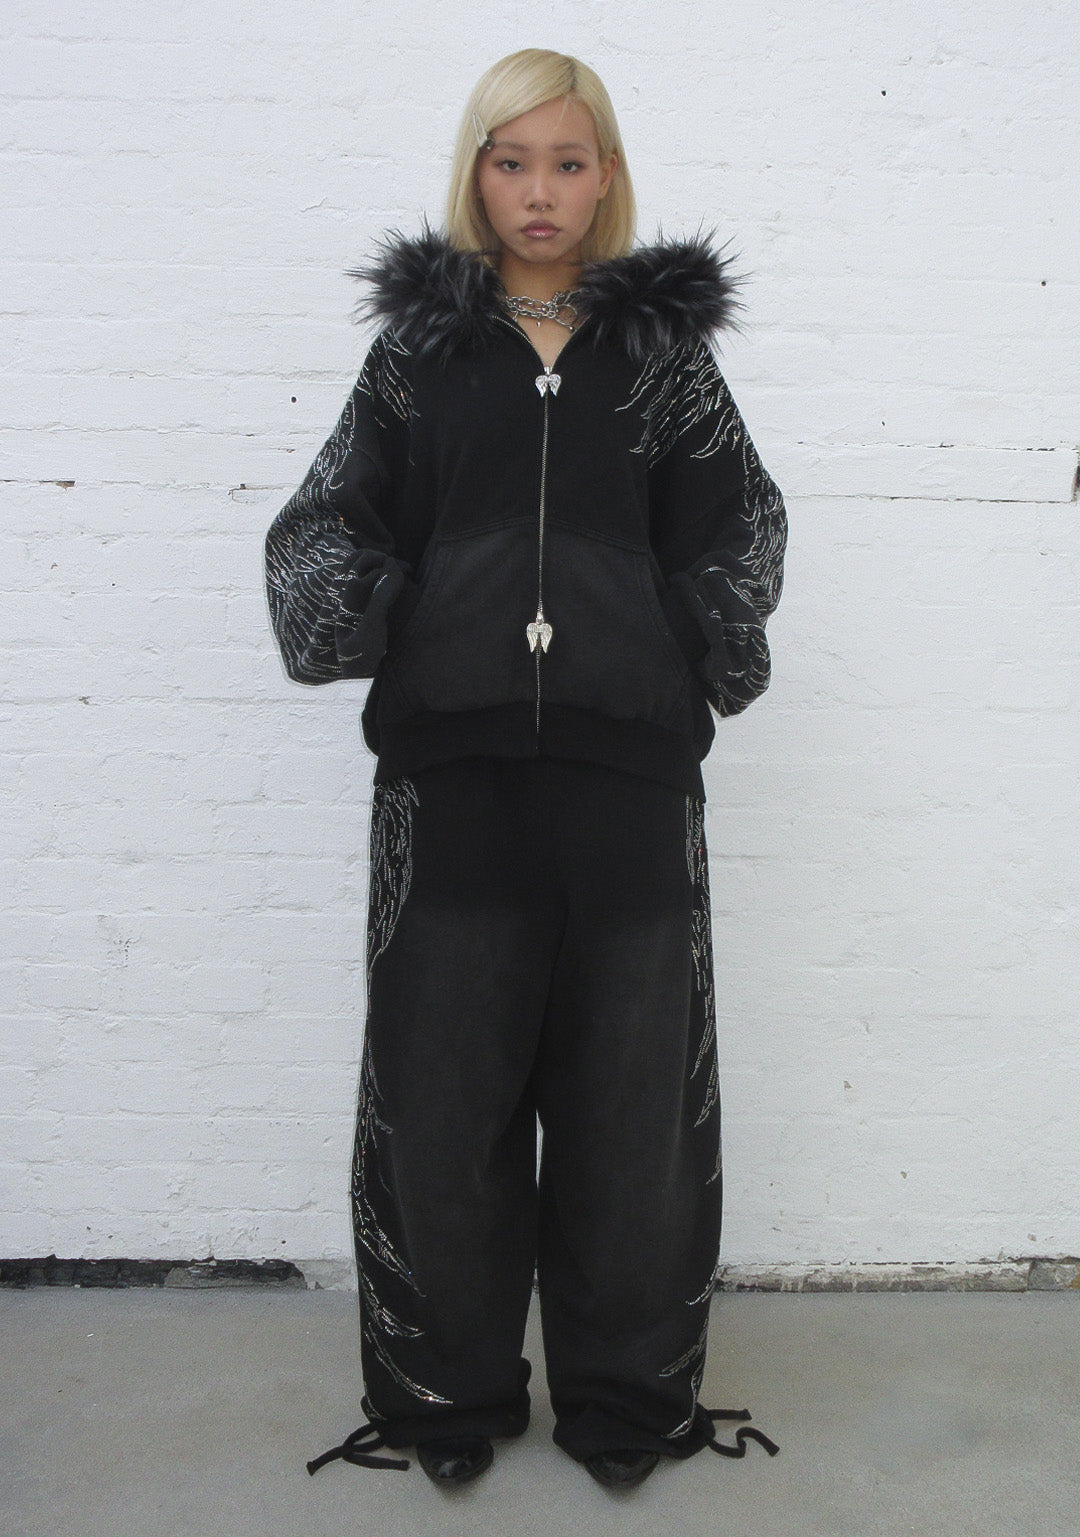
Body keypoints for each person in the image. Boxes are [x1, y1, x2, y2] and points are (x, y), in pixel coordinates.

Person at [265, 48, 786, 1493]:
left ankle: (627, 1400)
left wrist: (676, 637)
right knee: (442, 1105)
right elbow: (324, 523)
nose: (539, 191)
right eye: (511, 163)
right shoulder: (419, 356)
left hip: (630, 787)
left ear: (605, 175)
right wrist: (405, 614)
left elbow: (742, 526)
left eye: (566, 161)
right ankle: (448, 1395)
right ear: (477, 175)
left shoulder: (665, 358)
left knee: (634, 1111)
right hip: (453, 783)